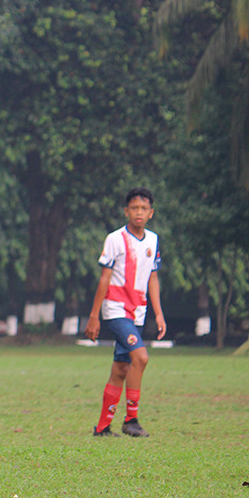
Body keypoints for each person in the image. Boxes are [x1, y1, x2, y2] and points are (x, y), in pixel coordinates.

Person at [84, 187, 166, 438]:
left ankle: (102, 427)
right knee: (140, 358)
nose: (138, 213)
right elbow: (104, 279)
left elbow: (152, 278)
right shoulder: (114, 239)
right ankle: (131, 420)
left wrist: (159, 314)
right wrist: (94, 316)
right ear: (126, 211)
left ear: (151, 213)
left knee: (121, 368)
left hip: (138, 312)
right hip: (116, 310)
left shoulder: (153, 240)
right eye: (134, 208)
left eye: (143, 208)